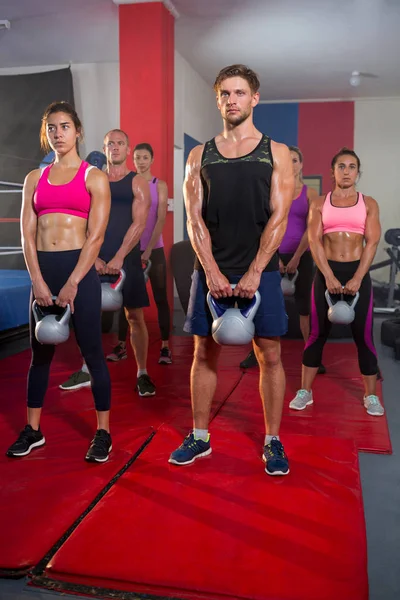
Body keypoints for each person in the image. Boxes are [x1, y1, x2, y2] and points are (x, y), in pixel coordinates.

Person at [168, 64, 294, 475]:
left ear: (254, 99)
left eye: (240, 93)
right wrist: (212, 270)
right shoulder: (198, 155)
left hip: (263, 270)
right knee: (204, 352)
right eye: (225, 93)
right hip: (211, 269)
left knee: (270, 354)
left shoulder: (275, 152)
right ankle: (200, 436)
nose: (232, 100)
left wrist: (257, 269)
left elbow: (279, 217)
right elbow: (194, 218)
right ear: (217, 99)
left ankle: (273, 441)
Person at [6, 101, 113, 462]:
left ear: (78, 130)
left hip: (77, 271)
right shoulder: (34, 179)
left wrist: (73, 283)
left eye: (64, 127)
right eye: (51, 128)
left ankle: (103, 433)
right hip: (43, 272)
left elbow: (95, 238)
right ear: (45, 132)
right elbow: (27, 233)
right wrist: (36, 280)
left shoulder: (92, 177)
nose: (58, 134)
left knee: (93, 353)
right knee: (40, 356)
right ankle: (33, 430)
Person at [60, 129, 156, 397]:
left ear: (128, 149)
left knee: (134, 316)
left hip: (127, 258)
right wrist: (96, 257)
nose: (115, 147)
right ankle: (86, 369)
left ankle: (142, 373)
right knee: (86, 313)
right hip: (93, 256)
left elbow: (139, 223)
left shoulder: (137, 182)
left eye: (120, 143)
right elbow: (80, 220)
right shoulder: (90, 181)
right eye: (109, 143)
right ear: (104, 149)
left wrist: (119, 257)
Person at [289, 148, 384, 416]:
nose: (346, 171)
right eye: (341, 166)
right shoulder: (320, 203)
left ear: (357, 172)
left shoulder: (369, 203)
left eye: (352, 166)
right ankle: (305, 392)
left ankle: (370, 396)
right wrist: (328, 276)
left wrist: (357, 277)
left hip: (357, 274)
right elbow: (315, 240)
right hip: (326, 272)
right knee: (317, 335)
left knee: (364, 337)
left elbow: (372, 242)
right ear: (332, 171)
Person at [240, 146, 326, 373]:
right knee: (263, 304)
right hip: (272, 254)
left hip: (302, 256)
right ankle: (255, 351)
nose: (292, 163)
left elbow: (312, 229)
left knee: (305, 308)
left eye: (296, 160)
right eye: (288, 160)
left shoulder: (310, 194)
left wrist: (297, 256)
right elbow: (267, 225)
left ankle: (311, 353)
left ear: (301, 164)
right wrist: (274, 255)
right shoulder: (273, 191)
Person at [106, 142, 172, 365]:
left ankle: (165, 346)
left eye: (145, 158)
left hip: (154, 249)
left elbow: (161, 218)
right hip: (130, 251)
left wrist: (150, 250)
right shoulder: (129, 182)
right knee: (127, 301)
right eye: (137, 158)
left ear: (151, 160)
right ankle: (122, 345)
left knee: (161, 298)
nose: (141, 161)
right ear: (132, 159)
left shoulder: (158, 185)